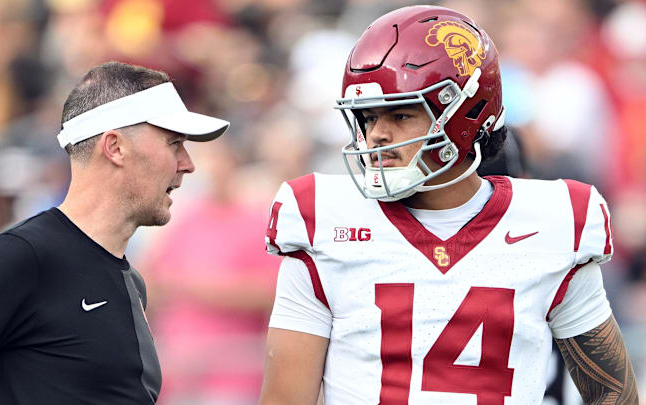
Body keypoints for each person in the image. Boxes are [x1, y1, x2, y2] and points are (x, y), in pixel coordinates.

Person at [258, 6, 639, 405]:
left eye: (401, 114)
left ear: (466, 114)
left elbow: (613, 394)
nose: (377, 137)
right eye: (368, 119)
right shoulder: (322, 219)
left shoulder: (553, 223)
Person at [0, 61, 229, 404]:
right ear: (114, 147)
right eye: (174, 143)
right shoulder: (18, 257)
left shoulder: (132, 281)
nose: (188, 163)